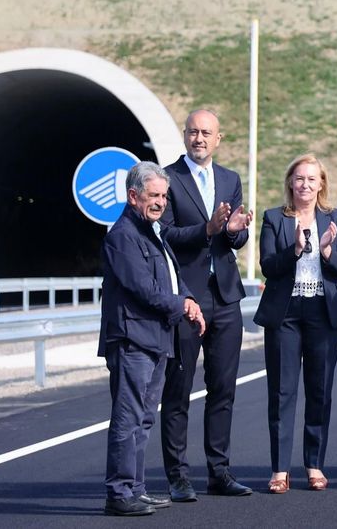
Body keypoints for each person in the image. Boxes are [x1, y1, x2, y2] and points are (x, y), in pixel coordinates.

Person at [99, 162, 206, 517]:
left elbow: (173, 276)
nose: (160, 202)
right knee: (127, 419)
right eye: (154, 195)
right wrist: (183, 305)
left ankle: (136, 488)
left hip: (156, 337)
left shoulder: (154, 232)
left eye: (164, 195)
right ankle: (118, 492)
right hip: (132, 339)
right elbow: (143, 289)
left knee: (144, 419)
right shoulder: (123, 236)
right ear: (134, 196)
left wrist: (189, 300)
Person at [158, 109, 254, 501]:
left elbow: (234, 239)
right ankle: (178, 477)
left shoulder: (229, 179)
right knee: (178, 390)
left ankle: (220, 472)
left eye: (206, 133)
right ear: (185, 136)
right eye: (193, 132)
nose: (199, 138)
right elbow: (162, 234)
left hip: (226, 296)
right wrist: (207, 230)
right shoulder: (167, 178)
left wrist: (233, 232)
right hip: (187, 296)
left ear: (219, 139)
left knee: (223, 389)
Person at [254, 154, 337, 494]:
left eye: (312, 179)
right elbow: (268, 265)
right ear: (290, 183)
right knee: (281, 392)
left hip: (323, 313)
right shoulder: (273, 218)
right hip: (285, 314)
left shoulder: (335, 218)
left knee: (320, 391)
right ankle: (280, 469)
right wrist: (295, 250)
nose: (305, 185)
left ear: (321, 183)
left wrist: (326, 251)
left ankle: (314, 465)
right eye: (299, 179)